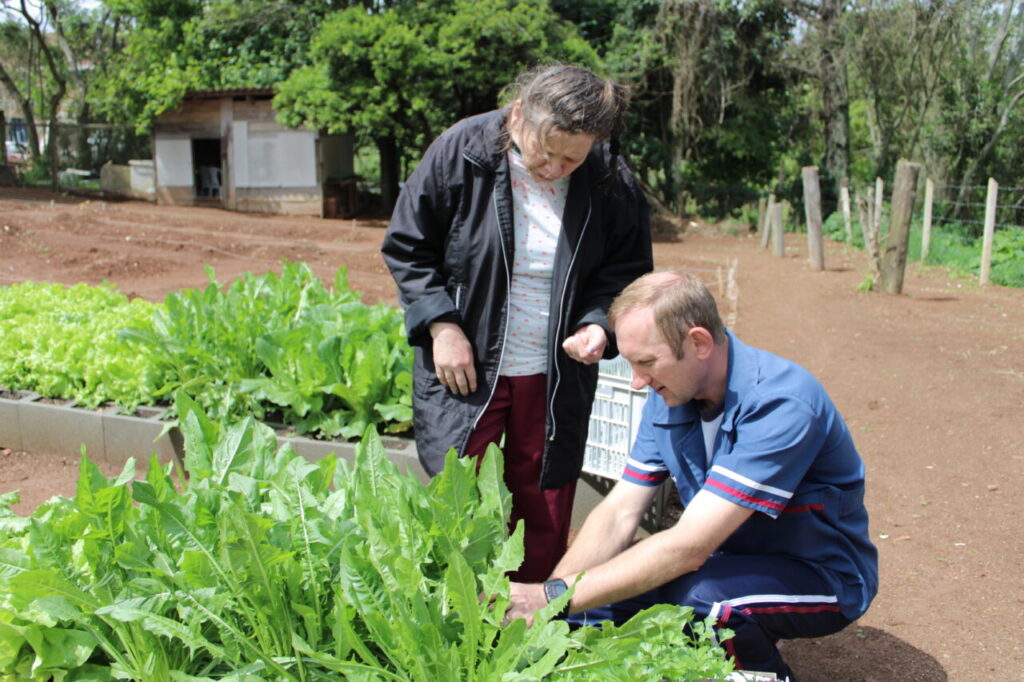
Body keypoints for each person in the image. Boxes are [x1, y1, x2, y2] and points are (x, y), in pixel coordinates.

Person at [507, 270, 878, 680]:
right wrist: (554, 604)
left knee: (707, 603)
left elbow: (689, 547)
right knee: (586, 607)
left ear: (698, 342)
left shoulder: (782, 402)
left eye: (646, 362)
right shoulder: (670, 394)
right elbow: (619, 513)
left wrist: (549, 595)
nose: (637, 382)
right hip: (725, 562)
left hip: (820, 574)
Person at [380, 64, 653, 582]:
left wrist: (599, 324)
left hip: (555, 368)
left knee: (545, 494)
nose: (553, 166)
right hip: (467, 361)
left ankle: (532, 616)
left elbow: (626, 271)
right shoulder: (463, 151)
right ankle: (462, 605)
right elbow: (409, 246)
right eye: (544, 149)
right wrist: (442, 326)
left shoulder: (607, 175)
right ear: (520, 113)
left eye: (570, 158)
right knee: (459, 488)